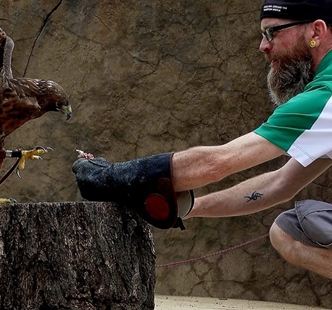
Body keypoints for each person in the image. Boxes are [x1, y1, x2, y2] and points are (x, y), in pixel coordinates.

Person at [72, 0, 332, 279]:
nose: (263, 46)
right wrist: (188, 208)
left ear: (316, 32)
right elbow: (279, 184)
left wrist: (113, 177)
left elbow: (216, 163)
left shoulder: (323, 98)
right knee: (288, 231)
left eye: (272, 32)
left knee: (291, 229)